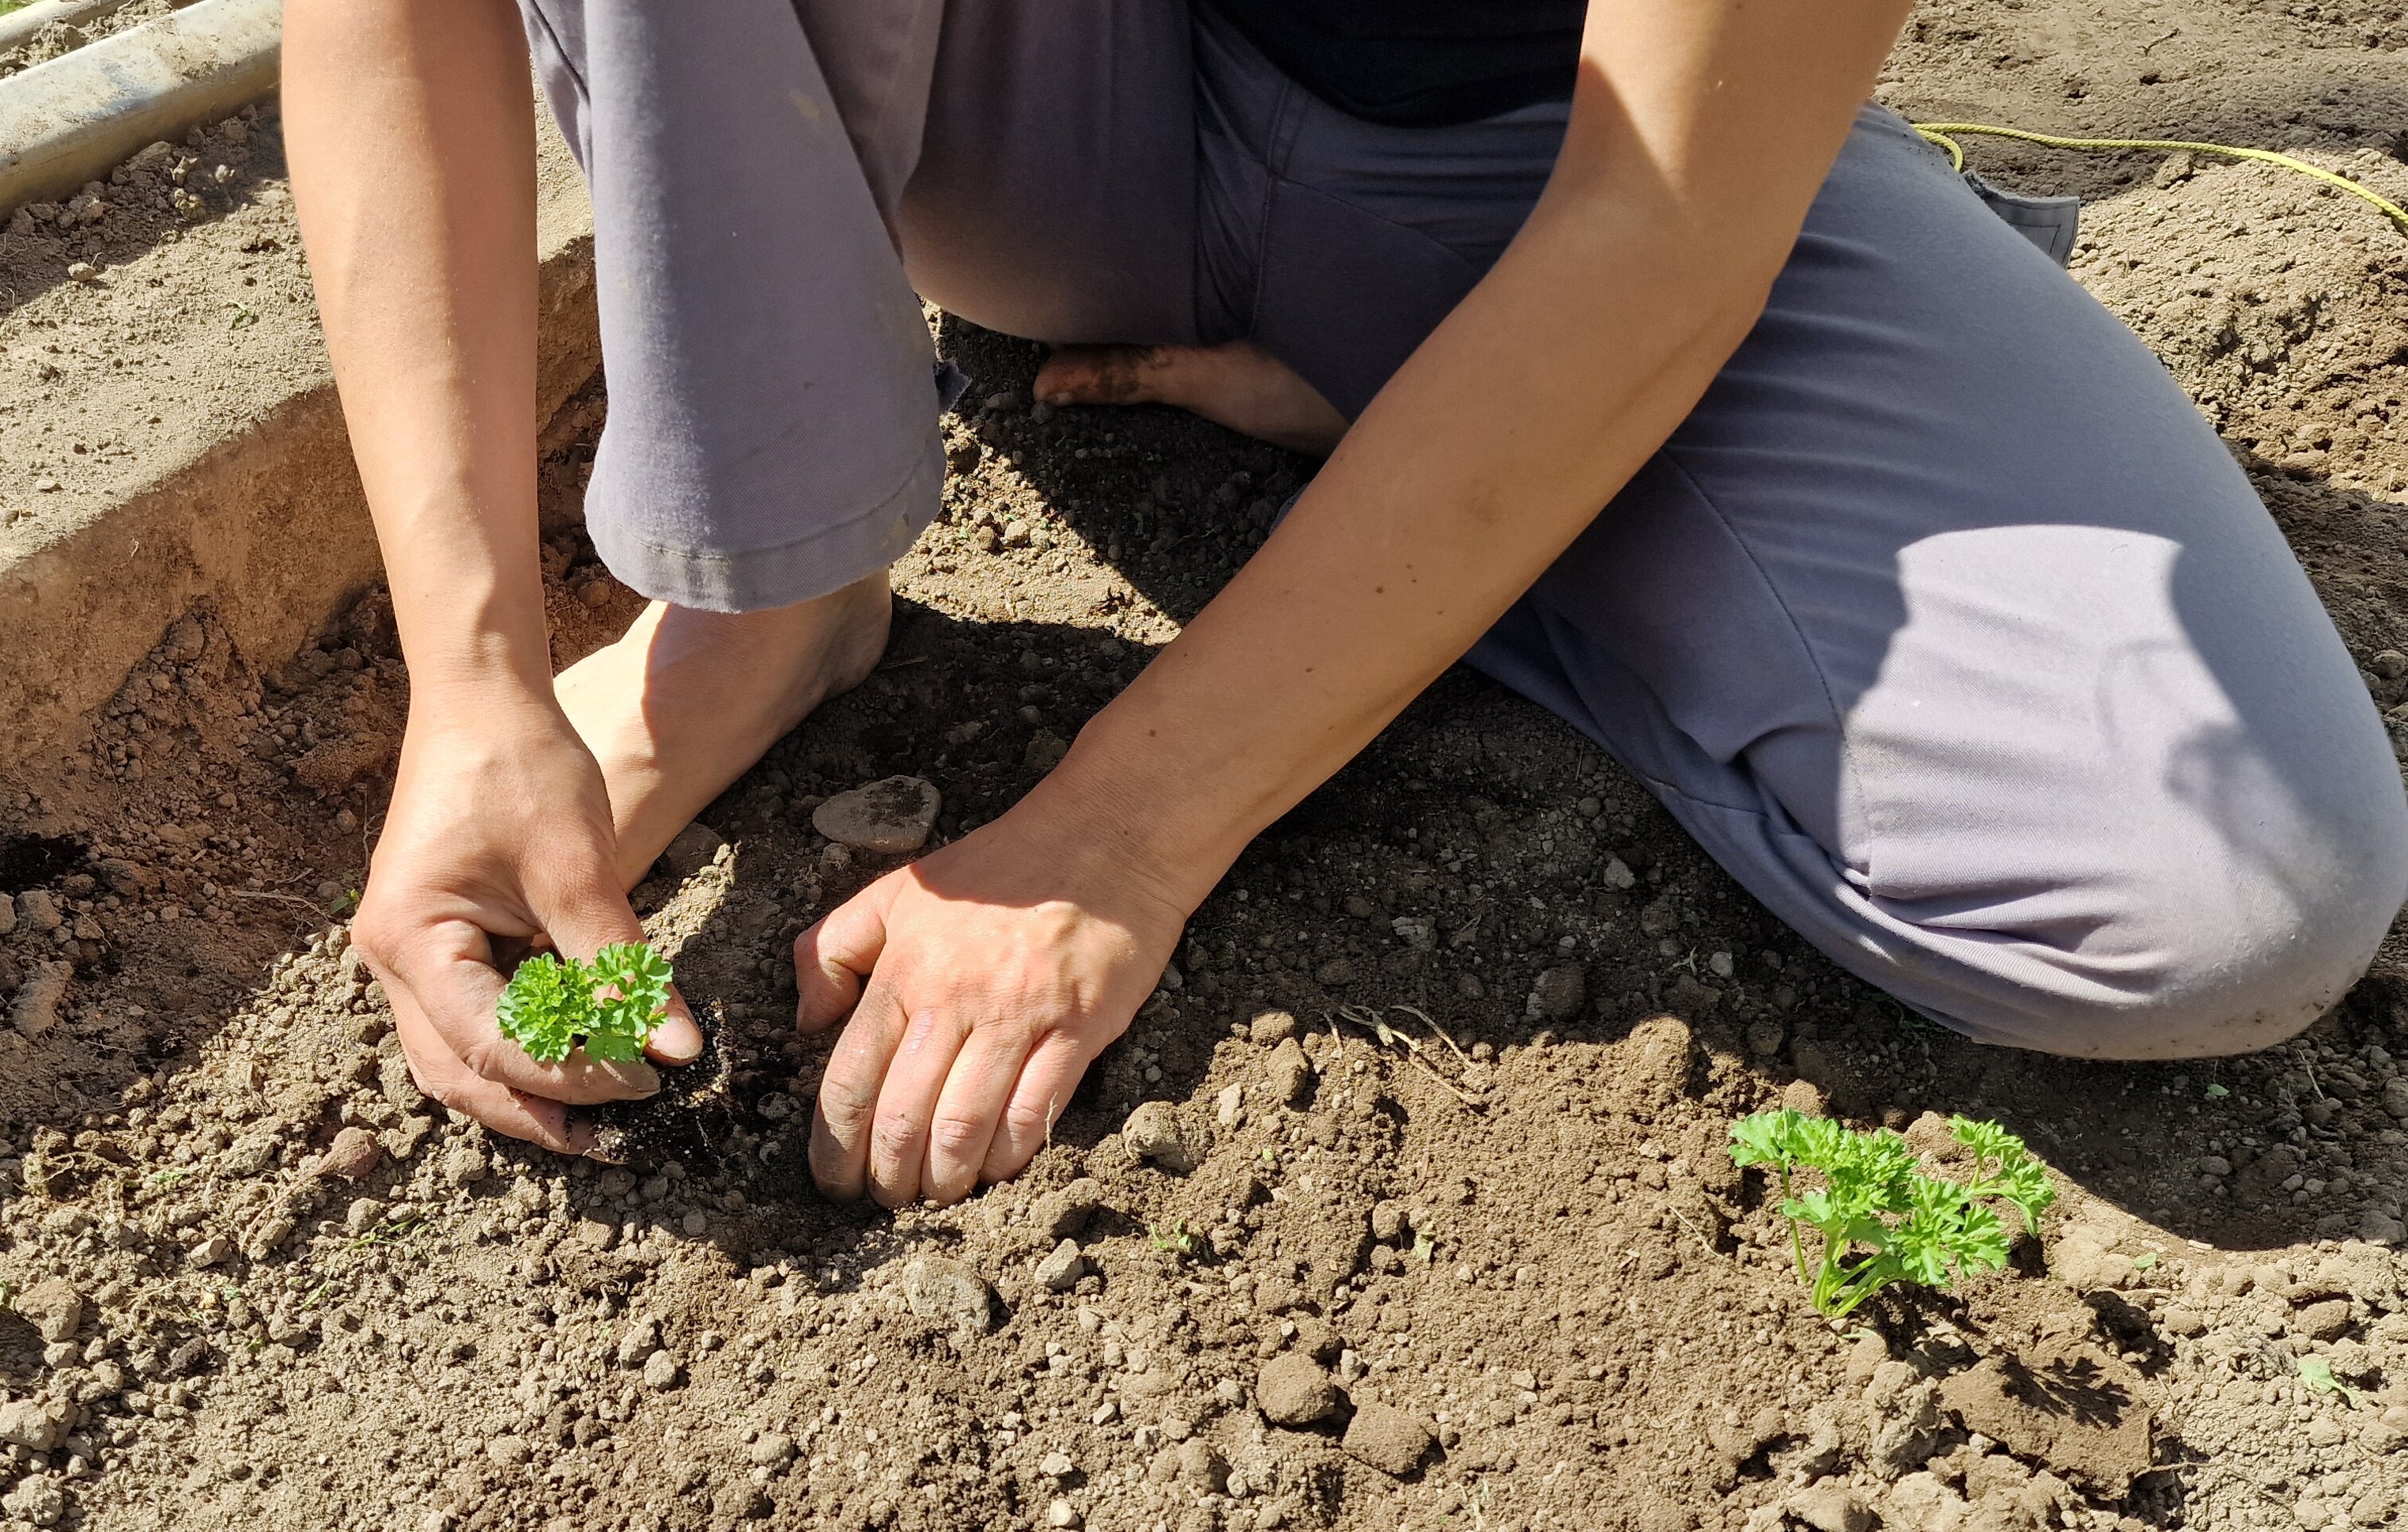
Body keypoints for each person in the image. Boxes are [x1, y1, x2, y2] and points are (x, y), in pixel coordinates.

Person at [281, 0, 2408, 1211]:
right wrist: (470, 676)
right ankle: (772, 589)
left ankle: (1439, 413)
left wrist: (1123, 828)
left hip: (1562, 161)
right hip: (1047, 128)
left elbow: (1660, 220)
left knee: (2216, 901)